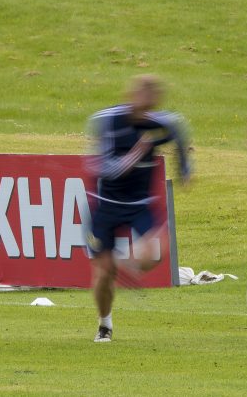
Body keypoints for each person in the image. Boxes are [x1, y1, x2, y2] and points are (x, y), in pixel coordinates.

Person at [86, 75, 191, 342]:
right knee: (102, 275)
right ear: (131, 96)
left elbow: (179, 130)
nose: (145, 109)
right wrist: (136, 153)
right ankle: (104, 324)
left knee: (158, 252)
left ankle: (120, 262)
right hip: (105, 205)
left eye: (151, 104)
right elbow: (101, 168)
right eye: (141, 101)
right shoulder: (107, 121)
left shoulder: (160, 122)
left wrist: (185, 168)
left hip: (139, 204)